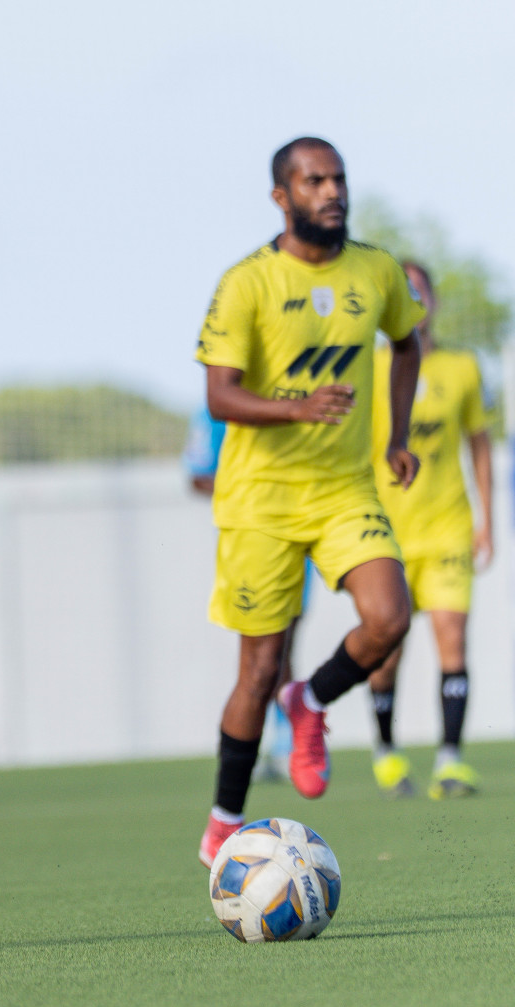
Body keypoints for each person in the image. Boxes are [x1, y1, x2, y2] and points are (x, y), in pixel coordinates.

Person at [194, 136, 425, 867]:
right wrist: (300, 409)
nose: (331, 191)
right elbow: (219, 394)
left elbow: (408, 344)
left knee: (391, 616)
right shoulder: (247, 283)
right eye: (314, 180)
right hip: (260, 498)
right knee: (257, 672)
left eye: (338, 179)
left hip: (344, 486)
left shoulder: (378, 270)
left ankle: (314, 701)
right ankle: (225, 822)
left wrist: (396, 435)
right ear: (281, 196)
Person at [364, 261, 494, 799]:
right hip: (387, 535)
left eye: (420, 292)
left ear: (433, 303)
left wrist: (488, 520)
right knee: (387, 651)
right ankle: (388, 754)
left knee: (451, 636)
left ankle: (450, 760)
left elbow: (479, 445)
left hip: (446, 528)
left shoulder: (463, 368)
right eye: (403, 293)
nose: (413, 302)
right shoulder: (367, 368)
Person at [183, 408, 296, 783]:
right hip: (249, 543)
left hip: (299, 536)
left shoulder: (297, 391)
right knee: (259, 655)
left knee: (285, 646)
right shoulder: (216, 411)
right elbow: (197, 477)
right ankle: (262, 745)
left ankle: (285, 741)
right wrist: (252, 487)